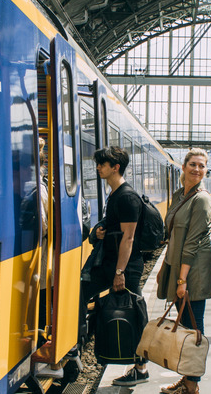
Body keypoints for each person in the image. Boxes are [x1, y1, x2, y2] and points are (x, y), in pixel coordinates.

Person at [80, 146, 149, 387]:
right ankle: (78, 343)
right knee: (82, 290)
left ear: (115, 167)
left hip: (124, 266)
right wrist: (100, 232)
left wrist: (119, 273)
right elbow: (117, 230)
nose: (98, 167)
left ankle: (140, 368)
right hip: (111, 263)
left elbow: (129, 238)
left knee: (135, 311)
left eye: (102, 164)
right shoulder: (115, 194)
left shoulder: (127, 197)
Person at [157, 148, 211, 394]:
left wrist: (181, 279)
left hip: (193, 273)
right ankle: (187, 380)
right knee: (188, 327)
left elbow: (191, 243)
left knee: (194, 329)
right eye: (193, 164)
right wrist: (164, 267)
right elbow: (172, 236)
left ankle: (192, 385)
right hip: (180, 268)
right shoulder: (181, 195)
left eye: (202, 166)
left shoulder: (201, 200)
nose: (197, 169)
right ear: (183, 166)